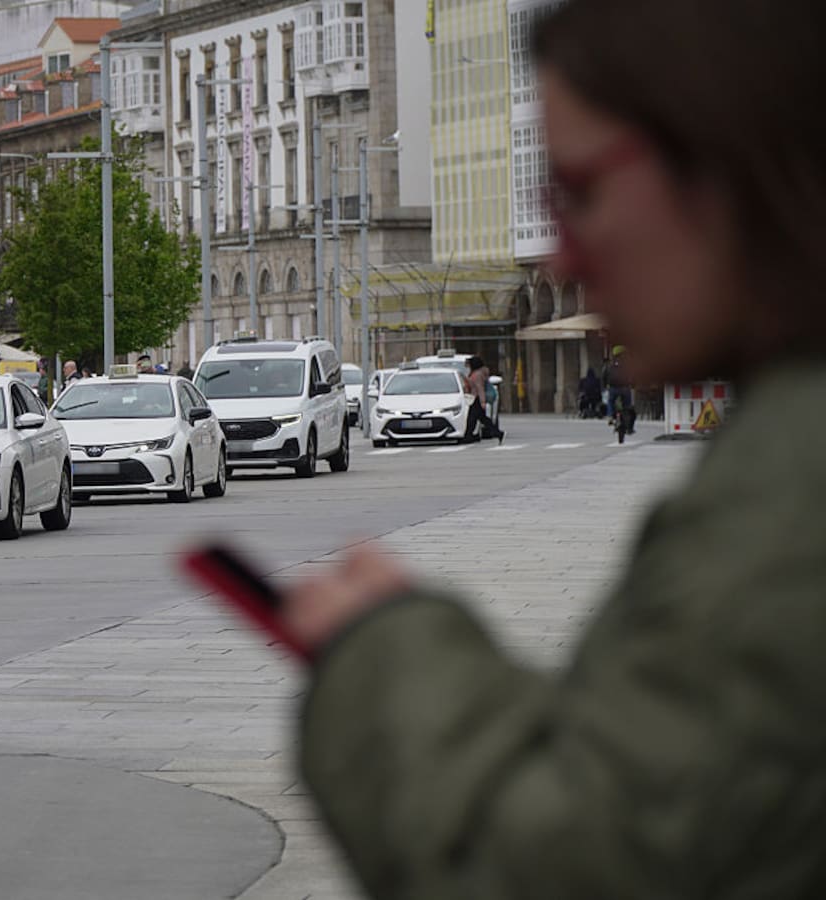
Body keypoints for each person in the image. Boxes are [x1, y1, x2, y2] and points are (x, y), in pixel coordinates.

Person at [258, 1, 826, 897]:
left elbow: (566, 868)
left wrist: (384, 654)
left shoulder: (791, 494)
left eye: (581, 191)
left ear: (726, 158)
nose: (561, 254)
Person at [460, 356, 505, 444]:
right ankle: (497, 433)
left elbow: (480, 388)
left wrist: (482, 402)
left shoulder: (477, 374)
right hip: (475, 398)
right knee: (481, 418)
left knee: (472, 419)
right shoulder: (476, 372)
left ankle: (468, 436)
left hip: (477, 399)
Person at [604, 345, 636, 434]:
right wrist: (633, 385)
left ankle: (610, 416)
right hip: (625, 388)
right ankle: (629, 428)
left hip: (613, 388)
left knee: (610, 401)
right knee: (628, 406)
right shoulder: (628, 365)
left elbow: (604, 376)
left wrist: (605, 386)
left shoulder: (609, 365)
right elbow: (633, 376)